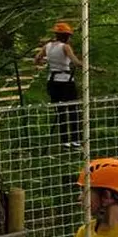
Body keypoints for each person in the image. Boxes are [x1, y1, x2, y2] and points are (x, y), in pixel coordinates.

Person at [34, 21, 87, 149]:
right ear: (66, 36)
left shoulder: (48, 46)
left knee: (60, 111)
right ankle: (75, 140)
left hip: (52, 81)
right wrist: (84, 65)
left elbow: (37, 58)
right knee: (73, 110)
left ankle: (65, 141)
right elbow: (74, 61)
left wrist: (41, 64)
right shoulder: (65, 47)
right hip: (66, 81)